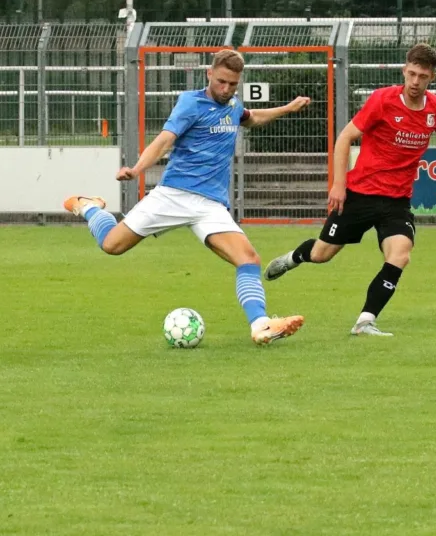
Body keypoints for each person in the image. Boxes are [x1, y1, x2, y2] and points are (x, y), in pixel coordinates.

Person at [63, 49, 310, 346]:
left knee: (249, 259)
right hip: (173, 195)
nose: (226, 89)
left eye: (233, 84)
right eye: (221, 81)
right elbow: (165, 139)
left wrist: (287, 109)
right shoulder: (190, 103)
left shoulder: (232, 104)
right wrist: (138, 169)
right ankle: (90, 207)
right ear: (209, 73)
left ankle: (260, 326)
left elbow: (251, 117)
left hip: (210, 206)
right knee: (112, 245)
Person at [262, 43, 436, 336]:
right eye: (412, 74)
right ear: (404, 70)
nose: (416, 82)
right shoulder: (382, 101)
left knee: (400, 254)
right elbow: (345, 138)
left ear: (432, 78)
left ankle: (365, 321)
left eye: (423, 76)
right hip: (360, 194)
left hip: (396, 202)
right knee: (321, 254)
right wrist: (339, 185)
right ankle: (292, 258)